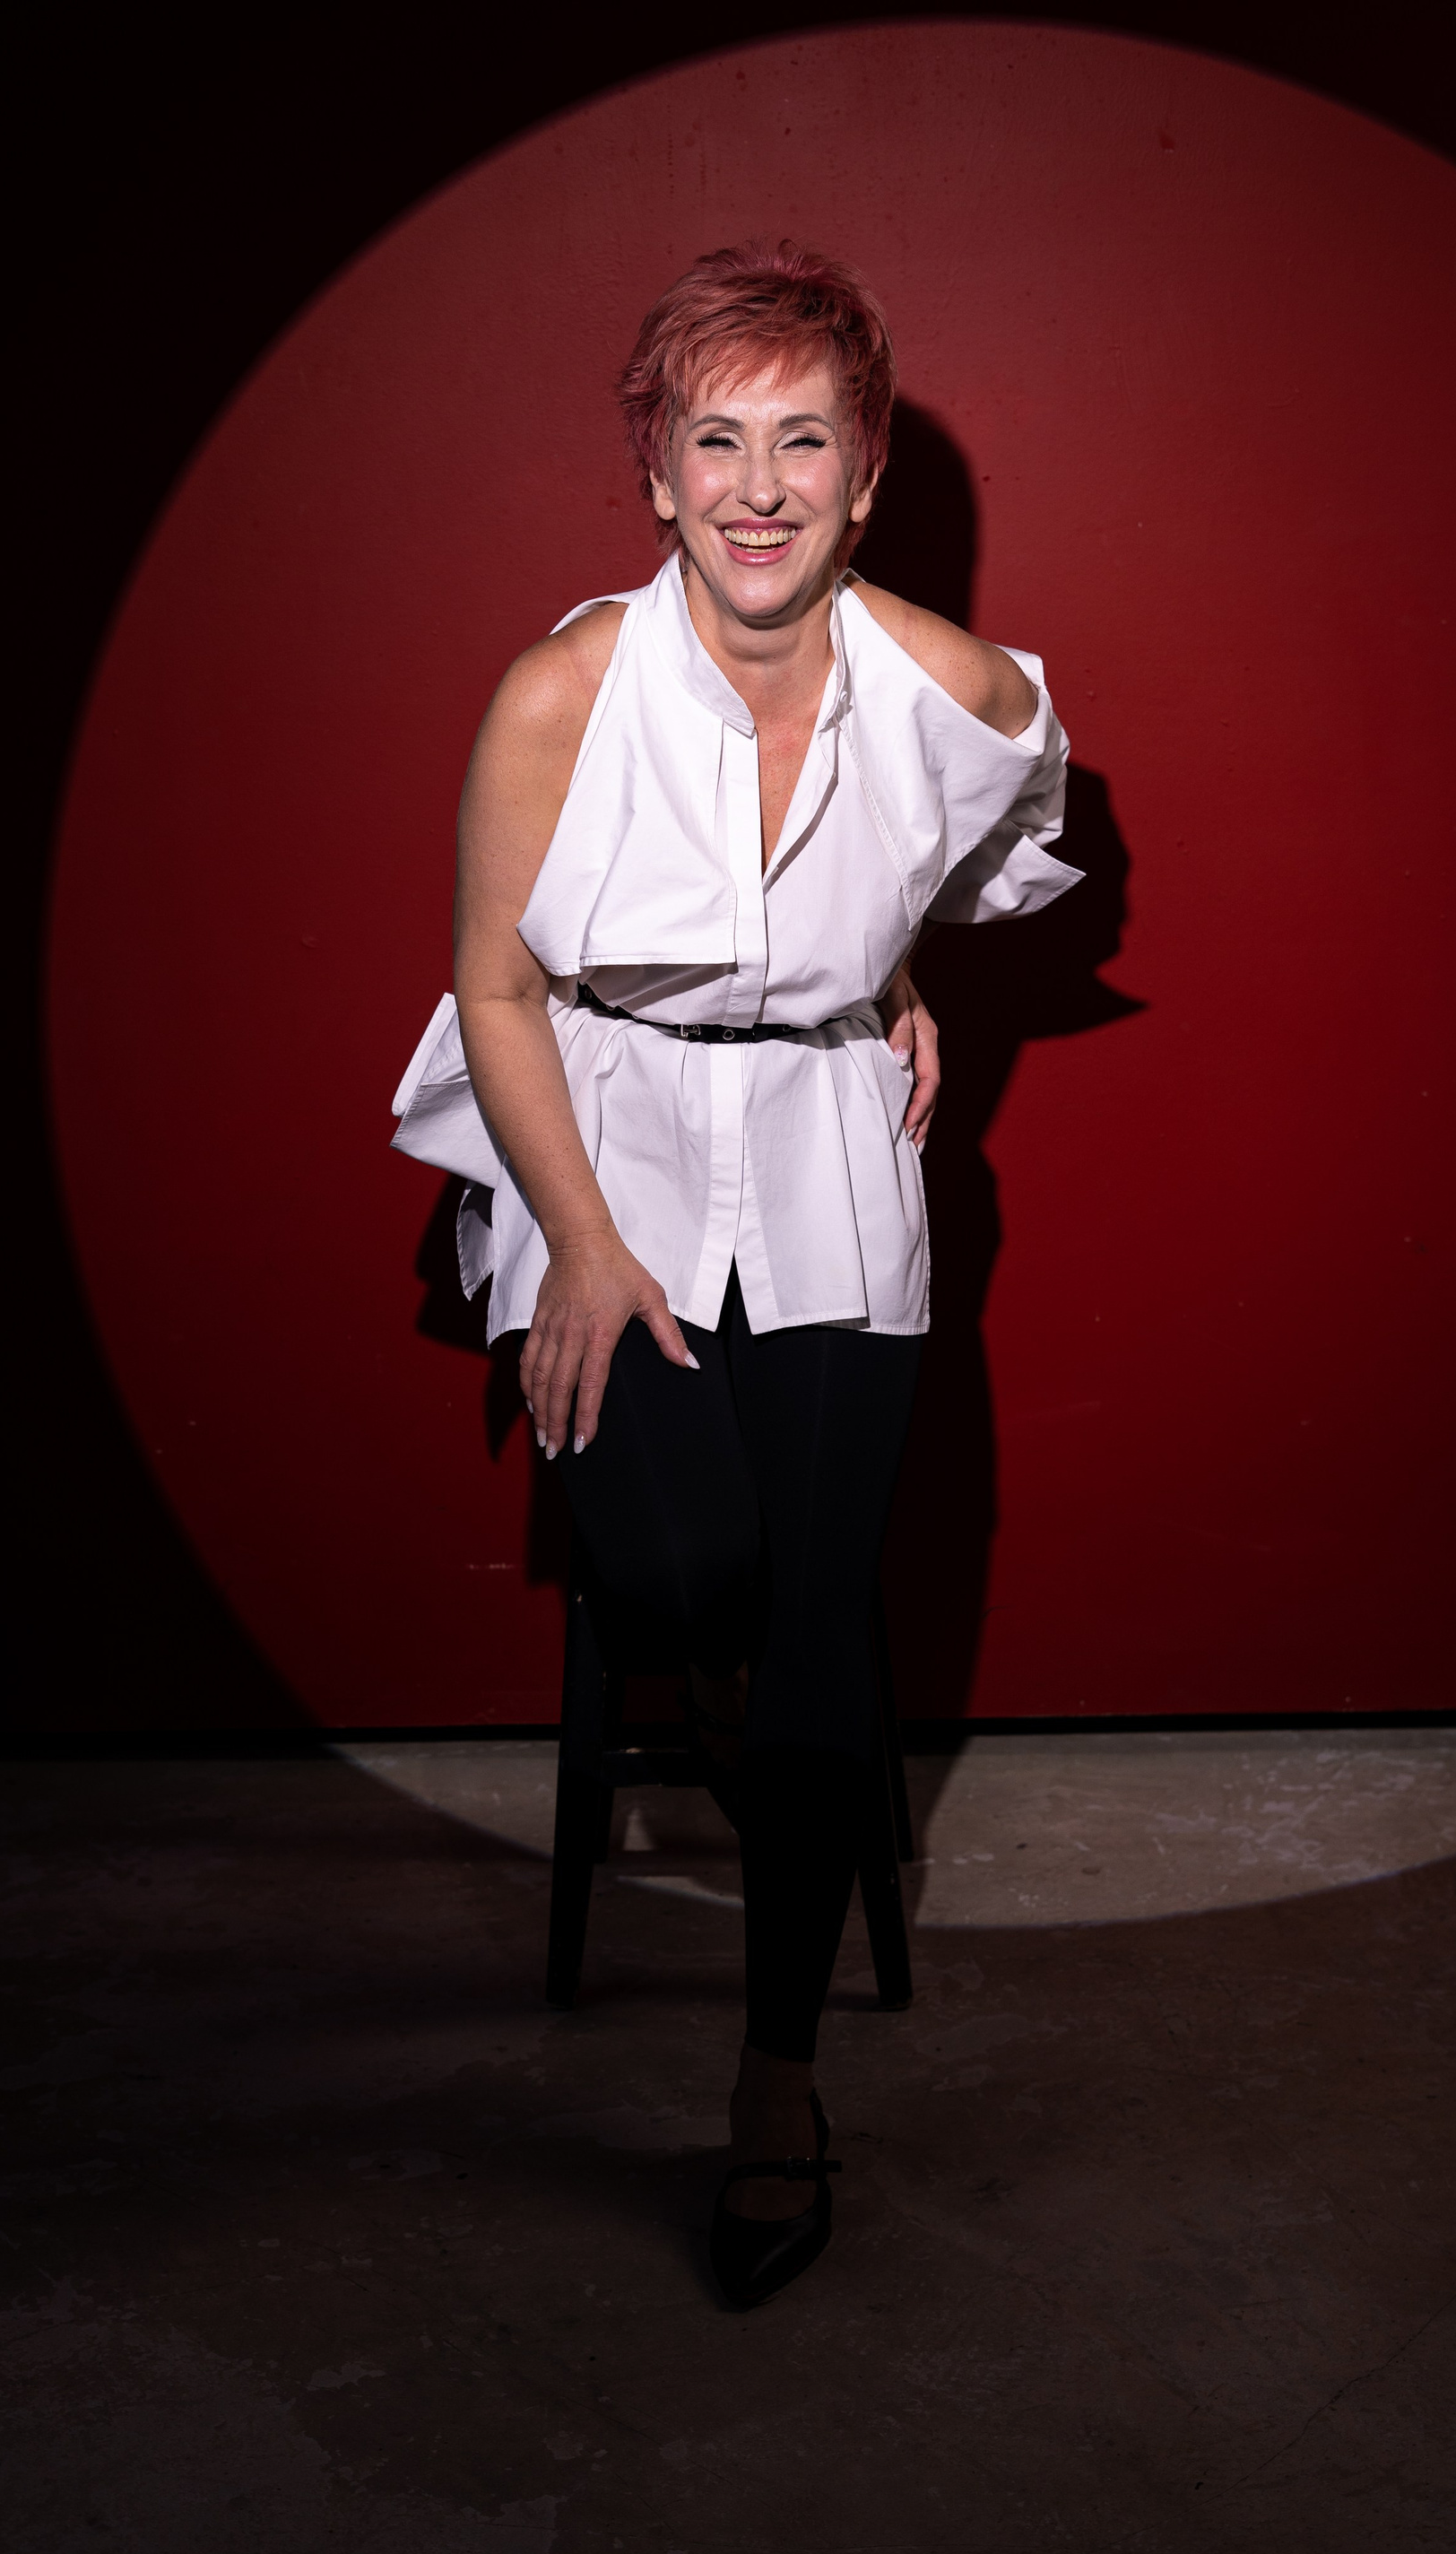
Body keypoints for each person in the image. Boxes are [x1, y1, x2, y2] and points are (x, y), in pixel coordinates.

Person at [392, 241, 1078, 2306]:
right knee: (687, 1567)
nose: (757, 488)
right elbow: (494, 989)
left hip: (828, 1152)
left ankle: (777, 2080)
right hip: (596, 1134)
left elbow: (1000, 839)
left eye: (803, 443)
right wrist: (586, 1249)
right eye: (716, 441)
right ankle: (686, 1639)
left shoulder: (954, 688)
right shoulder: (563, 692)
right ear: (657, 476)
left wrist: (893, 959)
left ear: (864, 478)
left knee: (816, 1618)